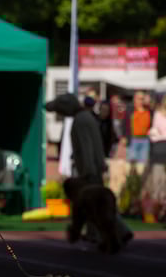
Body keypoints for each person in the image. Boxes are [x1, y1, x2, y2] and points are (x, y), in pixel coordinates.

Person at [45, 93, 133, 247]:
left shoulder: (80, 120)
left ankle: (112, 233)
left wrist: (87, 172)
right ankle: (112, 232)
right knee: (100, 206)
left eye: (60, 110)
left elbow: (86, 147)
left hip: (90, 170)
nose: (60, 114)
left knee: (94, 206)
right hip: (94, 167)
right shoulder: (86, 117)